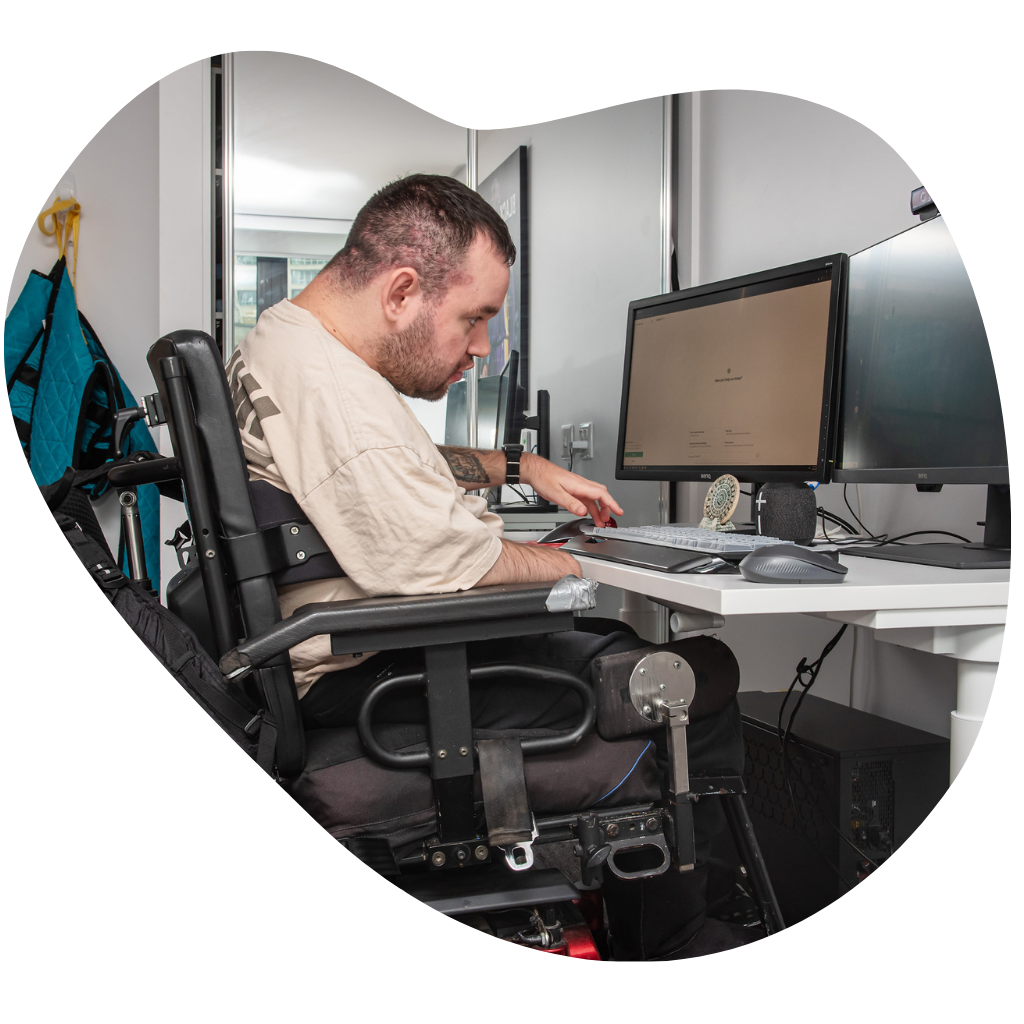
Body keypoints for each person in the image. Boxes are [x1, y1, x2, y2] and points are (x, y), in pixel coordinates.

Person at [229, 173, 746, 960]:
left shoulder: (292, 344)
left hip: (352, 658)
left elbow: (402, 465)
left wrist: (518, 464)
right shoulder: (330, 382)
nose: (480, 347)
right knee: (689, 674)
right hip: (378, 673)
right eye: (475, 319)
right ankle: (681, 935)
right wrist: (575, 555)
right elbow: (443, 562)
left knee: (614, 643)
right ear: (402, 291)